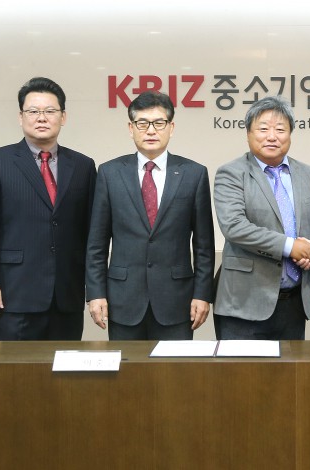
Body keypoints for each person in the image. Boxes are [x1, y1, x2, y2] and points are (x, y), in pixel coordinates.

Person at [0, 77, 96, 340]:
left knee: (65, 364)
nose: (41, 118)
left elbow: (91, 232)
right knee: (14, 367)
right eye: (33, 111)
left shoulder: (83, 166)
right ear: (21, 117)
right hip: (13, 294)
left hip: (66, 295)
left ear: (63, 117)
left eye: (50, 111)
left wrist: (94, 288)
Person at [86, 91, 215, 340]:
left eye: (159, 123)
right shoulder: (110, 173)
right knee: (126, 365)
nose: (151, 131)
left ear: (171, 127)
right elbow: (96, 244)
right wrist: (96, 293)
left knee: (175, 366)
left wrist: (202, 294)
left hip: (176, 300)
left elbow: (204, 246)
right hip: (123, 298)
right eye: (142, 123)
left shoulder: (194, 174)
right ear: (131, 128)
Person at [213, 95, 310, 340]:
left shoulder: (309, 174)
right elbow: (234, 227)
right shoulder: (231, 173)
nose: (272, 136)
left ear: (290, 134)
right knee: (240, 366)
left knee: (292, 366)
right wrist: (290, 246)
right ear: (248, 134)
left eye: (280, 130)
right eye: (263, 129)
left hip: (294, 302)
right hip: (244, 302)